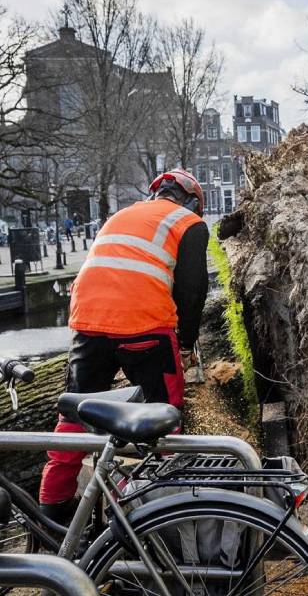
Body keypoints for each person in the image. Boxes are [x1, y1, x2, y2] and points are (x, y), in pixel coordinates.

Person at [39, 169, 210, 521]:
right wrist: (188, 342)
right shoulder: (188, 222)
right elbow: (192, 291)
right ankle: (168, 508)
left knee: (74, 414)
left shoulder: (120, 215)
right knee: (165, 417)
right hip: (144, 323)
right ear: (193, 201)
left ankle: (52, 505)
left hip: (87, 319)